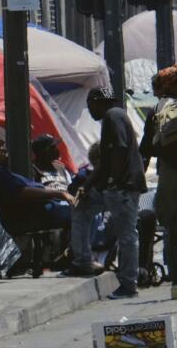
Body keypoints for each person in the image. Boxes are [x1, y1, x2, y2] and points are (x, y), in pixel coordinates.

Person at [69, 88, 147, 299]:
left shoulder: (113, 116)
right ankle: (82, 262)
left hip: (122, 187)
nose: (89, 110)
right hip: (115, 187)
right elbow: (104, 159)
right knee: (81, 208)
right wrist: (89, 184)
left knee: (127, 235)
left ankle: (128, 285)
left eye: (89, 105)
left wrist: (113, 180)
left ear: (97, 101)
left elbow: (119, 150)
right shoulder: (112, 117)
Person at [140, 64, 177, 301]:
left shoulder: (157, 109)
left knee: (173, 228)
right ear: (174, 85)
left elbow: (146, 148)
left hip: (170, 172)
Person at [0, 140, 75, 233]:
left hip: (49, 207)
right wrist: (60, 194)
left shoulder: (10, 174)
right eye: (3, 152)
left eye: (6, 152)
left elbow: (39, 187)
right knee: (79, 216)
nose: (7, 155)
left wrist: (63, 194)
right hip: (32, 215)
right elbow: (21, 192)